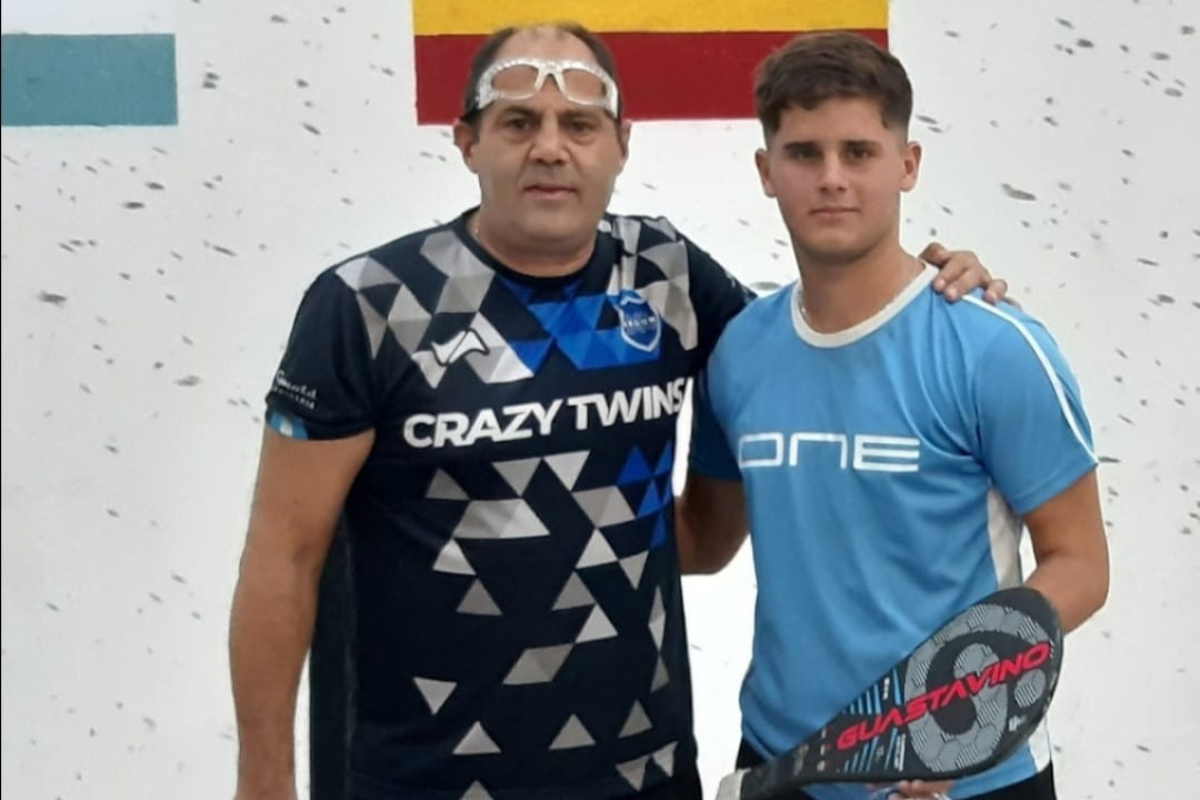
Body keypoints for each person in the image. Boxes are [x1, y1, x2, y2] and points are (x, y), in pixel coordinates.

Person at [228, 22, 1009, 800]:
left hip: (645, 776)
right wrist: (263, 780)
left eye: (579, 125)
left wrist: (930, 294)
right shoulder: (368, 305)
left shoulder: (664, 275)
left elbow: (814, 341)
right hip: (419, 781)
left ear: (621, 144)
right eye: (518, 123)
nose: (550, 148)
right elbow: (283, 560)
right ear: (467, 142)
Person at [679, 31, 1110, 800]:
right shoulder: (739, 351)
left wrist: (953, 713)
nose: (832, 178)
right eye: (804, 153)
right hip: (782, 761)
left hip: (967, 779)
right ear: (766, 172)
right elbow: (705, 542)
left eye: (859, 152)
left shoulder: (995, 349)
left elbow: (1081, 565)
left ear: (907, 165)